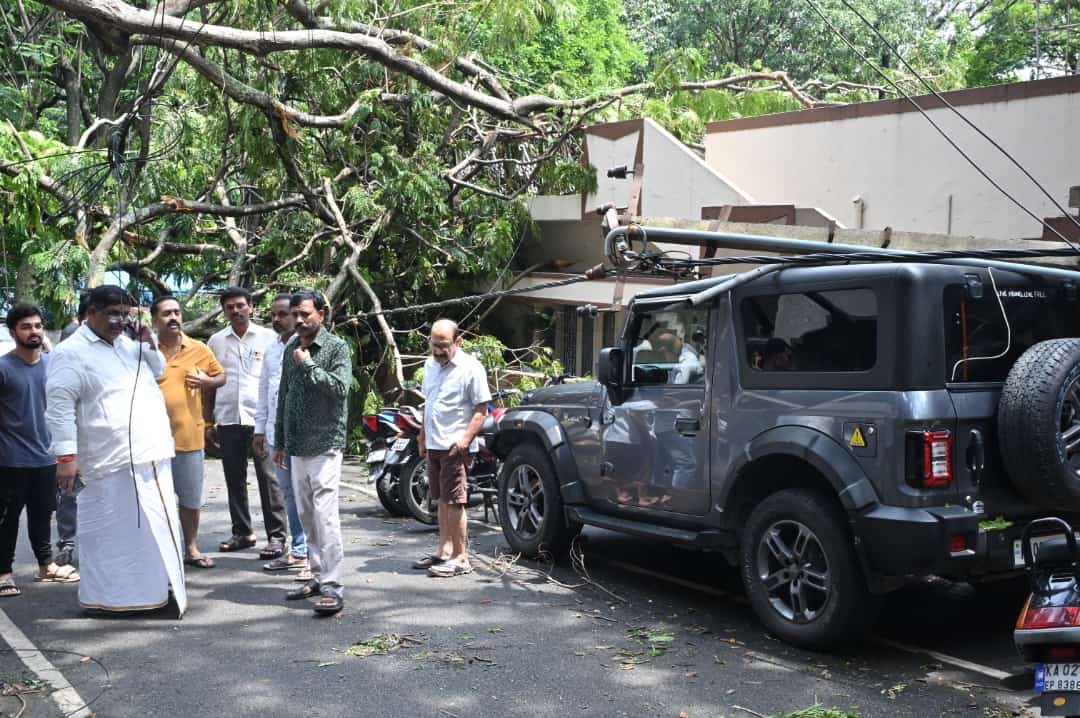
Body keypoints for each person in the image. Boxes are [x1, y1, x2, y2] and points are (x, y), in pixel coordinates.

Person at [45, 285, 186, 615]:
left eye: (124, 314)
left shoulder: (127, 344)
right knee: (114, 535)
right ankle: (112, 600)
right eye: (112, 314)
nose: (119, 321)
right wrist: (65, 458)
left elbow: (158, 370)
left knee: (150, 533)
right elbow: (60, 408)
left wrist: (147, 342)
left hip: (150, 454)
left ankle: (150, 594)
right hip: (110, 461)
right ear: (90, 312)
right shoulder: (71, 352)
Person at [274, 291, 351, 615]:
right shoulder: (291, 347)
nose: (300, 320)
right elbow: (284, 396)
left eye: (306, 314)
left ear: (322, 313)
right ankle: (318, 576)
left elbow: (340, 388)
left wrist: (308, 366)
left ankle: (334, 587)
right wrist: (279, 441)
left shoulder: (336, 348)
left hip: (325, 443)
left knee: (325, 517)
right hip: (297, 446)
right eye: (296, 314)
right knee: (306, 516)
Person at [0, 304, 80, 598]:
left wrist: (69, 454)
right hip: (10, 461)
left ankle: (46, 566)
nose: (33, 331)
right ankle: (3, 572)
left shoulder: (52, 366)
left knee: (42, 515)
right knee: (7, 520)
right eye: (26, 327)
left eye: (37, 326)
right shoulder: (4, 369)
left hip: (47, 459)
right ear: (13, 333)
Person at [206, 287, 287, 559]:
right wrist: (209, 421)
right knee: (234, 478)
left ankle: (277, 536)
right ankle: (242, 532)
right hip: (228, 417)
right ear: (224, 311)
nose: (236, 310)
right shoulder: (216, 341)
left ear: (251, 307)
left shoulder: (269, 338)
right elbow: (210, 384)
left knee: (269, 479)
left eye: (241, 305)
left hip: (260, 419)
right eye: (229, 307)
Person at [152, 295, 225, 569]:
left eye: (177, 312)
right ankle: (158, 551)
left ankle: (191, 548)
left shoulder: (198, 348)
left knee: (190, 498)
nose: (173, 317)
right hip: (151, 440)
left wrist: (208, 380)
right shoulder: (145, 350)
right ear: (154, 320)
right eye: (166, 313)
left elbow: (221, 376)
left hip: (189, 438)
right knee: (155, 500)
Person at [413, 319, 491, 578]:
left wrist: (465, 440)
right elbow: (429, 403)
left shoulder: (471, 368)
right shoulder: (430, 365)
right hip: (434, 442)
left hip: (455, 445)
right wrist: (422, 435)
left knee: (455, 501)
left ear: (458, 342)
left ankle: (461, 558)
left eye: (443, 346)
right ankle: (443, 551)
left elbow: (481, 410)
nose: (437, 351)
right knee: (441, 499)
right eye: (434, 345)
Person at [254, 294, 309, 578]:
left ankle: (310, 552)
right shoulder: (271, 350)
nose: (277, 319)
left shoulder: (306, 346)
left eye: (283, 314)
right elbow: (264, 392)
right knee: (288, 494)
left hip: (303, 437)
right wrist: (260, 430)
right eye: (273, 315)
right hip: (277, 435)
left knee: (306, 496)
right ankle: (299, 549)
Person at [55, 292, 89, 566]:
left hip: (102, 437)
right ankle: (67, 544)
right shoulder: (71, 338)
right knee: (69, 494)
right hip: (73, 437)